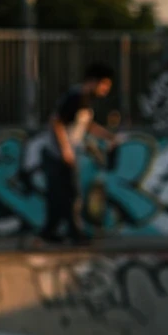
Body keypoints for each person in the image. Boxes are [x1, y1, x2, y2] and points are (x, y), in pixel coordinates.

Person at [40, 62, 117, 244]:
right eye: (104, 85)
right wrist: (65, 149)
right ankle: (73, 234)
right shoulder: (75, 97)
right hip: (56, 154)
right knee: (71, 194)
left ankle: (50, 233)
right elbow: (57, 122)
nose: (105, 90)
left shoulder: (84, 100)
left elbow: (85, 125)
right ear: (93, 81)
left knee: (61, 195)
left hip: (64, 154)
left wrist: (107, 135)